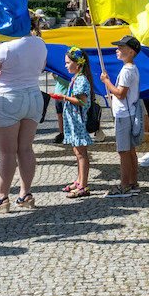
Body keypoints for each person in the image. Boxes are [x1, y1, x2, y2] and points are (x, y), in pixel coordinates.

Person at [0, 16, 49, 211]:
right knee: (26, 148)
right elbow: (42, 67)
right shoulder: (40, 43)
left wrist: (0, 62)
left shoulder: (6, 47)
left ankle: (2, 197)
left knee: (7, 152)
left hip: (9, 98)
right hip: (33, 96)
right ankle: (25, 194)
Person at [100, 35, 143, 197]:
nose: (117, 50)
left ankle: (124, 185)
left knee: (123, 151)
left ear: (131, 52)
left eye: (121, 48)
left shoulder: (126, 71)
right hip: (129, 112)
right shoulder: (133, 69)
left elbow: (121, 94)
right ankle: (133, 182)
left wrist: (106, 82)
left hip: (124, 115)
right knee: (130, 150)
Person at [55, 47, 95, 198]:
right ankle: (79, 181)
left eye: (67, 62)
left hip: (78, 121)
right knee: (77, 152)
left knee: (81, 154)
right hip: (73, 121)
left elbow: (82, 102)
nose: (65, 65)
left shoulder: (81, 80)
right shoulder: (75, 78)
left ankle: (83, 185)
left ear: (78, 64)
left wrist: (63, 97)